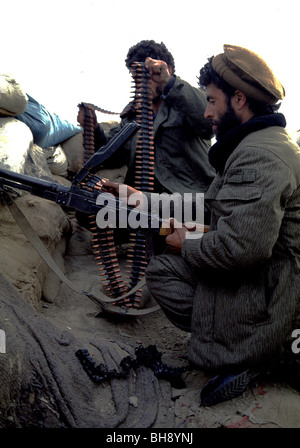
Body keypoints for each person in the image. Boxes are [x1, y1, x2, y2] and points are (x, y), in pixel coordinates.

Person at [106, 44, 300, 404]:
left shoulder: (260, 155)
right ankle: (234, 339)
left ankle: (256, 353)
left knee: (170, 263)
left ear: (239, 100)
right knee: (163, 270)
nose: (209, 112)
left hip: (272, 290)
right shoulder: (253, 145)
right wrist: (140, 200)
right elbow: (220, 214)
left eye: (212, 101)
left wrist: (188, 242)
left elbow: (241, 248)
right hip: (264, 276)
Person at [77, 40, 215, 199]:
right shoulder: (134, 115)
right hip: (143, 202)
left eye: (146, 78)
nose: (140, 85)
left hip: (189, 201)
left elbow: (207, 124)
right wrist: (93, 127)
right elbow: (111, 157)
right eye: (136, 80)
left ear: (165, 70)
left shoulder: (187, 99)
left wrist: (169, 83)